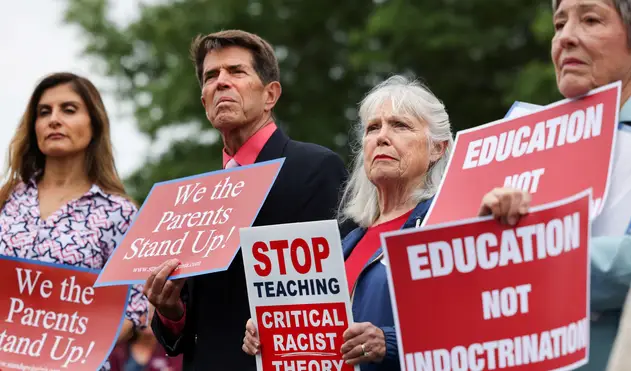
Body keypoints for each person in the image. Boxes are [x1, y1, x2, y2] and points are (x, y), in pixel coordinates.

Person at [147, 30, 353, 371]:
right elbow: (185, 328)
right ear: (204, 102)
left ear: (270, 94)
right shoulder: (194, 199)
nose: (221, 82)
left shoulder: (315, 168)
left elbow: (341, 288)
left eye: (236, 72)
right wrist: (172, 314)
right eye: (211, 76)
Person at [480, 1, 631, 369]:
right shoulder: (519, 147)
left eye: (590, 20)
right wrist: (482, 232)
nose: (565, 38)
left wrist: (519, 250)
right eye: (559, 24)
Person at [242, 74, 455, 371]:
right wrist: (270, 331)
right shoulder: (345, 244)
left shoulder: (448, 224)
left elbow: (472, 324)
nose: (381, 136)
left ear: (438, 148)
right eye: (372, 128)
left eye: (400, 125)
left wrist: (389, 342)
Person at [0, 72, 149, 370]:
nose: (54, 119)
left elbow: (137, 306)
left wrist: (80, 341)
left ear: (93, 124)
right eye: (44, 112)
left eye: (68, 109)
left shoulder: (119, 212)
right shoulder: (6, 199)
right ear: (34, 128)